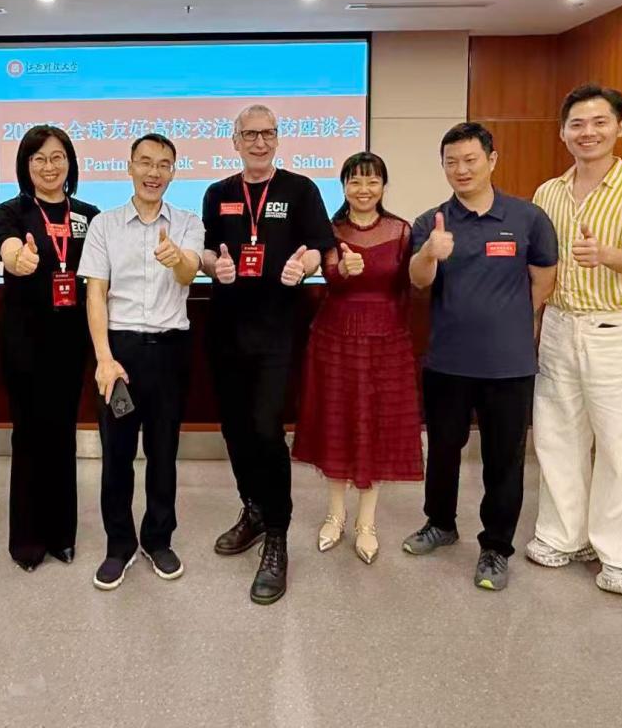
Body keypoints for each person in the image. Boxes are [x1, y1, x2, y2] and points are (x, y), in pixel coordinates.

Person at [527, 84, 622, 597]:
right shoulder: (548, 193)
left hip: (617, 328)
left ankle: (619, 556)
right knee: (556, 436)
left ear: (619, 127)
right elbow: (539, 266)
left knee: (619, 446)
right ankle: (563, 536)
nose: (587, 133)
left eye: (599, 122)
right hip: (559, 324)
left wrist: (605, 254)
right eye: (577, 124)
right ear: (563, 133)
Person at [401, 122, 558, 592]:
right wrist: (430, 253)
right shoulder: (432, 221)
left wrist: (509, 324)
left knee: (503, 460)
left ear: (492, 159)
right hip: (446, 362)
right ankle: (440, 523)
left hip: (509, 366)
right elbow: (418, 280)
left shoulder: (528, 218)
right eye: (451, 162)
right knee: (443, 451)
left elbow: (544, 280)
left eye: (470, 160)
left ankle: (495, 547)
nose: (461, 169)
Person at [201, 104, 335, 605]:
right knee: (235, 428)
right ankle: (253, 509)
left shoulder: (301, 190)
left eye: (268, 133)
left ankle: (277, 535)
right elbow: (208, 250)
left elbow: (319, 245)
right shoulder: (218, 193)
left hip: (278, 331)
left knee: (265, 428)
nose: (259, 142)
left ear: (277, 139)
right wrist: (214, 266)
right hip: (226, 329)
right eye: (250, 134)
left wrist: (306, 264)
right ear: (234, 140)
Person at [77, 133, 204, 591]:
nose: (154, 172)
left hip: (170, 350)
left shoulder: (188, 222)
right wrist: (104, 359)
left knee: (164, 453)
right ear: (129, 166)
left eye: (164, 164)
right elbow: (95, 294)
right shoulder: (104, 225)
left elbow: (189, 271)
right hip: (120, 353)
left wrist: (177, 259)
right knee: (116, 455)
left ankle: (158, 539)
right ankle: (119, 545)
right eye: (145, 162)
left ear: (173, 171)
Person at [291, 152, 423, 564]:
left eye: (372, 181)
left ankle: (367, 522)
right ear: (344, 186)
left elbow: (409, 285)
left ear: (383, 186)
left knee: (376, 427)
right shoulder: (330, 230)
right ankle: (335, 515)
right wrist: (344, 270)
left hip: (387, 340)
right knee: (337, 423)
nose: (364, 190)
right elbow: (330, 276)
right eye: (355, 181)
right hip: (335, 338)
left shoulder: (402, 230)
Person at [0, 125, 100, 572]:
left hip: (71, 340)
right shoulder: (12, 211)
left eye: (57, 157)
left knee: (62, 434)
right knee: (28, 434)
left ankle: (62, 534)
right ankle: (27, 539)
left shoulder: (89, 215)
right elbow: (8, 248)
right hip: (25, 339)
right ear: (26, 166)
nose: (49, 166)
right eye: (38, 158)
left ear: (70, 163)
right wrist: (17, 259)